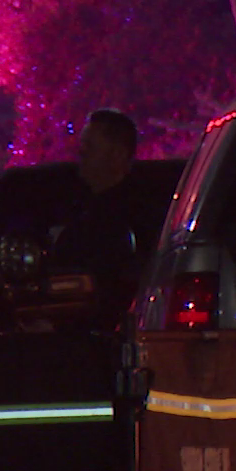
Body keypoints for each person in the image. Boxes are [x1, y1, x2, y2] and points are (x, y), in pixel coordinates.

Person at [49, 108, 164, 330]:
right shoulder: (75, 210)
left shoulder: (138, 218)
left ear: (118, 155)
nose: (81, 154)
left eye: (90, 148)